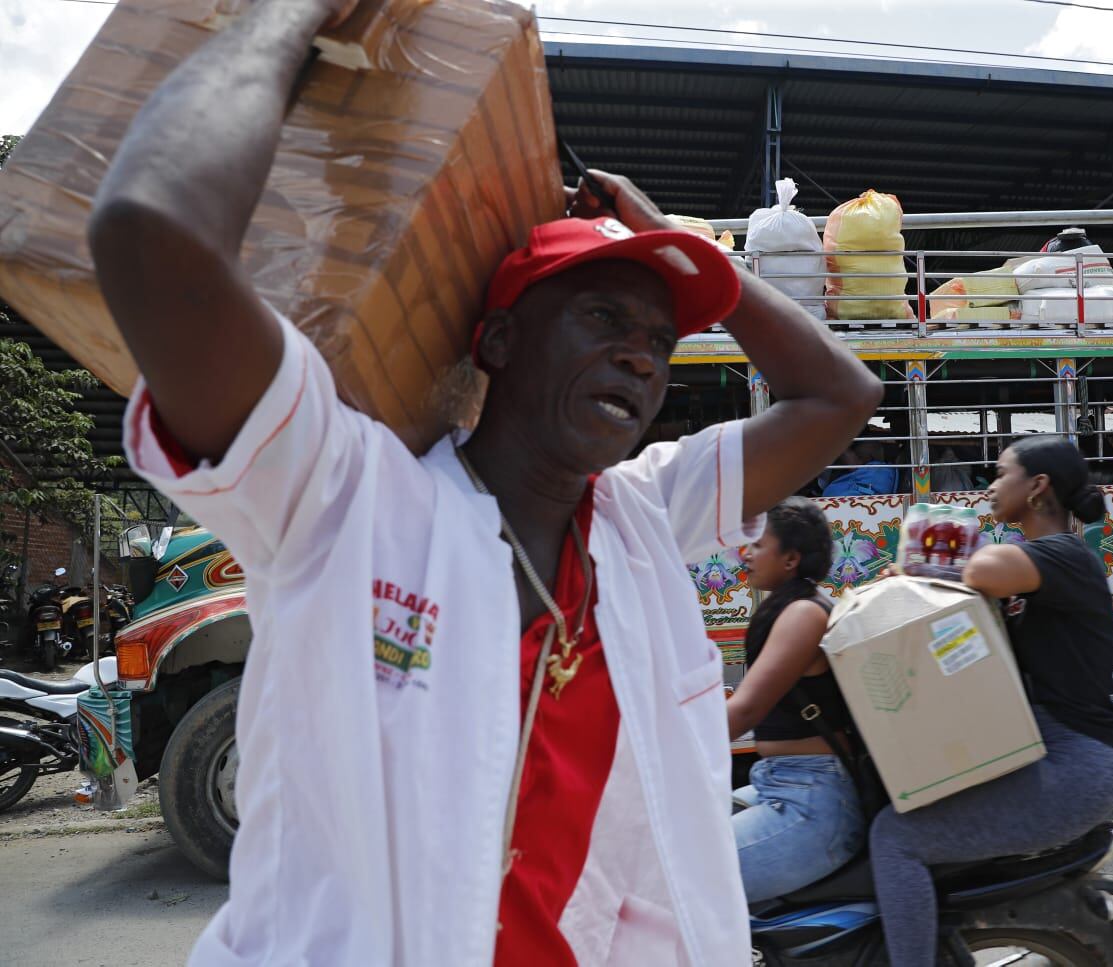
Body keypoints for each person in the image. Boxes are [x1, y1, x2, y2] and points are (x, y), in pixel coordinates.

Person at [85, 1, 883, 962]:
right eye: (602, 318)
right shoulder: (352, 499)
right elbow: (152, 235)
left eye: (659, 343)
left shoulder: (638, 517)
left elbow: (840, 393)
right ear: (498, 338)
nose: (639, 359)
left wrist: (673, 235)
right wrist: (297, 14)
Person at [870, 436, 1113, 966]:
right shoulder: (1033, 570)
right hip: (1046, 751)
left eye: (1000, 473)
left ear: (1037, 489)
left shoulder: (1063, 555)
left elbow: (980, 570)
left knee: (895, 839)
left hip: (1077, 767)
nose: (989, 486)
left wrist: (922, 562)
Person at [726, 499, 865, 902]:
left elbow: (745, 711)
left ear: (790, 558)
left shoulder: (804, 612)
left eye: (757, 544)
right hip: (779, 784)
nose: (745, 553)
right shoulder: (790, 605)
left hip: (811, 799)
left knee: (674, 880)